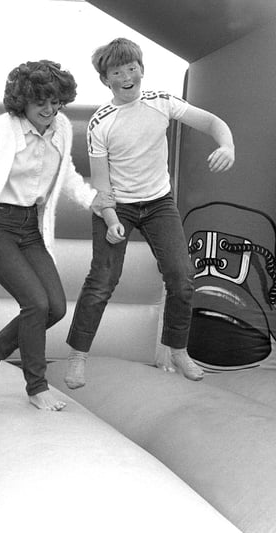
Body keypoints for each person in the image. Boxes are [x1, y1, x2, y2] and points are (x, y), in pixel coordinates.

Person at [64, 38, 235, 389]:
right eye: (117, 71)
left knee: (182, 276)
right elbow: (102, 187)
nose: (127, 76)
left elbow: (213, 122)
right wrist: (111, 221)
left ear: (141, 69)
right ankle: (78, 356)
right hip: (117, 207)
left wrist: (227, 144)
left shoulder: (162, 102)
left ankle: (177, 349)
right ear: (106, 80)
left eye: (132, 67)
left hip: (158, 203)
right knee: (102, 282)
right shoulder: (101, 122)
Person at [0, 60, 112, 411]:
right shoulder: (0, 130)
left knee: (54, 307)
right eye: (41, 101)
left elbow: (65, 172)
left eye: (56, 101)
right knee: (35, 303)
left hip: (30, 227)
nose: (49, 109)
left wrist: (92, 201)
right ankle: (36, 387)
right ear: (22, 101)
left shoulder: (62, 128)